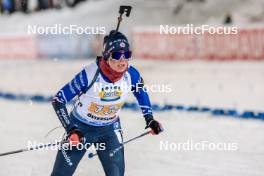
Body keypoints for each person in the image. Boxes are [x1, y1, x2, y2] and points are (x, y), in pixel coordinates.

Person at [50, 30, 163, 176]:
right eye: (116, 55)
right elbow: (58, 100)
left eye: (127, 55)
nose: (122, 61)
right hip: (80, 129)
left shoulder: (131, 74)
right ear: (106, 55)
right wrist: (71, 129)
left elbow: (141, 93)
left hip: (109, 131)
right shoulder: (90, 74)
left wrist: (150, 119)